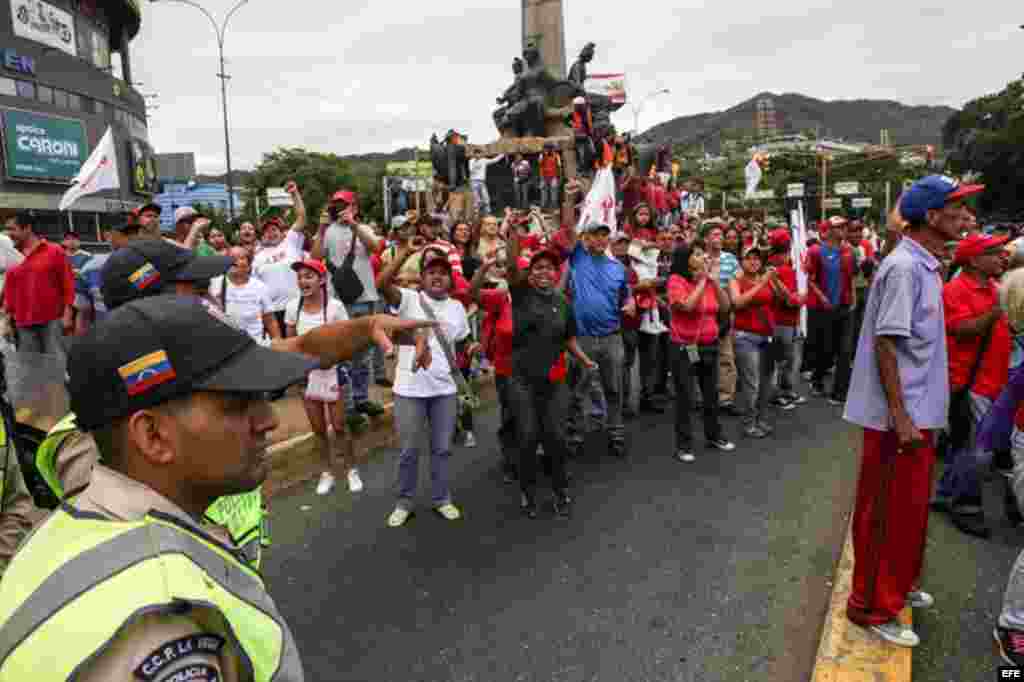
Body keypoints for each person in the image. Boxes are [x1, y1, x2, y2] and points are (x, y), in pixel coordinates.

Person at [0, 295, 314, 680]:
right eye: (236, 403)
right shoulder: (167, 614)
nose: (268, 420)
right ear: (152, 435)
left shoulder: (57, 534)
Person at [843, 175, 981, 648]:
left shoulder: (926, 265)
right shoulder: (904, 268)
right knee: (884, 513)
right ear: (931, 216)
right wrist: (901, 416)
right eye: (957, 209)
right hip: (896, 421)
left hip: (918, 414)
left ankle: (896, 587)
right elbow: (887, 342)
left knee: (907, 513)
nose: (966, 217)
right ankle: (871, 607)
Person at [504, 230, 596, 518]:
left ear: (557, 273)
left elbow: (568, 339)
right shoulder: (520, 295)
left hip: (554, 380)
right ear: (530, 273)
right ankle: (528, 491)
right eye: (538, 267)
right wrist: (513, 235)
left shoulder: (563, 303)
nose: (544, 272)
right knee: (528, 436)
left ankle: (560, 490)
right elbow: (510, 267)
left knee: (556, 437)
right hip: (522, 380)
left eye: (550, 268)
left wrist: (585, 359)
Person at [376, 242, 468, 527]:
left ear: (450, 279)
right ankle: (404, 502)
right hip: (409, 390)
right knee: (409, 451)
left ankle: (442, 498)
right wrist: (403, 251)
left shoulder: (457, 308)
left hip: (444, 391)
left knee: (441, 449)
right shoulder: (408, 299)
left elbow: (460, 345)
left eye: (443, 272)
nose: (437, 277)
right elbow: (381, 283)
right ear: (423, 277)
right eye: (431, 272)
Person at [931, 232, 1010, 539]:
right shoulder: (954, 290)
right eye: (994, 252)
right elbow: (962, 330)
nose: (1001, 256)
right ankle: (965, 506)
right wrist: (999, 308)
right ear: (975, 260)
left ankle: (944, 494)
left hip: (993, 379)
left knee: (966, 444)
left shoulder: (993, 286)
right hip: (969, 381)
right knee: (977, 449)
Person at [286, 259, 361, 496]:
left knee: (339, 426)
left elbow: (349, 341)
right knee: (318, 430)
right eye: (300, 277)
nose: (303, 281)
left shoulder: (336, 308)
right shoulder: (292, 307)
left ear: (321, 280)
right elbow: (291, 344)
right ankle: (326, 472)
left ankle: (351, 470)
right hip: (307, 377)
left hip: (333, 373)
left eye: (309, 276)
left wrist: (332, 358)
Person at [314, 189, 387, 419]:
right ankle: (346, 407)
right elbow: (316, 257)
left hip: (365, 299)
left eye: (344, 205)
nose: (340, 209)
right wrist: (321, 228)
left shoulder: (363, 228)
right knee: (343, 354)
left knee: (363, 354)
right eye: (336, 205)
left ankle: (361, 398)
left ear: (354, 207)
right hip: (339, 302)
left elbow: (376, 249)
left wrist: (354, 225)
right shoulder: (327, 231)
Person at [564, 222, 634, 458]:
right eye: (595, 235)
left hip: (611, 337)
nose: (601, 239)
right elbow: (567, 228)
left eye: (605, 235)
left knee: (614, 389)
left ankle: (616, 434)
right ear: (586, 238)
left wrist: (630, 304)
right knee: (577, 391)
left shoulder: (617, 268)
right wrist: (571, 199)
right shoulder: (578, 259)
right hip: (582, 338)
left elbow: (626, 295)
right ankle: (574, 435)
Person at [667, 242, 735, 462]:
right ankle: (683, 445)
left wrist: (713, 281)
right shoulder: (676, 281)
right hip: (684, 346)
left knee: (710, 392)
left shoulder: (706, 281)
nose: (701, 257)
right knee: (686, 395)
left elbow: (724, 306)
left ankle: (714, 435)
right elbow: (686, 306)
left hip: (709, 344)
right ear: (685, 259)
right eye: (696, 254)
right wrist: (702, 281)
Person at [469, 251, 518, 481]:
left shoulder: (542, 296)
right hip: (507, 370)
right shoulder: (502, 298)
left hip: (537, 370)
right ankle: (511, 461)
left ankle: (534, 456)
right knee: (510, 416)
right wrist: (483, 268)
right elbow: (473, 294)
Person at [3, 211, 74, 358]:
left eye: (12, 229)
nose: (8, 234)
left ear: (27, 228)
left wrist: (68, 314)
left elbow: (67, 284)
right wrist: (7, 322)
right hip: (23, 324)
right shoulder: (12, 256)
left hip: (53, 321)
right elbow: (10, 294)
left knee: (56, 366)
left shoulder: (55, 251)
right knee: (32, 369)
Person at [804, 216, 858, 405]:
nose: (843, 229)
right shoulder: (816, 251)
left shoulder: (850, 252)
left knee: (845, 351)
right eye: (838, 227)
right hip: (824, 308)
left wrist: (853, 299)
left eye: (844, 226)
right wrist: (822, 298)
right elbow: (810, 279)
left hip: (844, 307)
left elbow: (851, 277)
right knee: (825, 349)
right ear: (829, 230)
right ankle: (817, 379)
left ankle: (839, 393)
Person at [731, 246, 778, 438]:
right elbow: (737, 303)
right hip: (745, 337)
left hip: (767, 336)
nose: (753, 262)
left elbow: (784, 299)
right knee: (752, 384)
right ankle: (749, 423)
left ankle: (761, 420)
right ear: (742, 261)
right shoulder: (736, 280)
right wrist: (761, 284)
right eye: (749, 258)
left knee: (767, 383)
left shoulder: (765, 278)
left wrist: (773, 280)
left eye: (757, 259)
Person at [251, 181, 309, 334]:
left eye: (274, 229)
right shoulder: (257, 257)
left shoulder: (290, 241)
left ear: (282, 232)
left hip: (298, 306)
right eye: (267, 231)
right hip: (272, 312)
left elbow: (302, 217)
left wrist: (294, 194)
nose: (271, 232)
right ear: (262, 236)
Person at [73, 221, 145, 336]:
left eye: (135, 233)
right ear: (108, 236)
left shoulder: (146, 267)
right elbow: (83, 312)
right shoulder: (91, 268)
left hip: (140, 335)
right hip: (106, 337)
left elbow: (153, 301)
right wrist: (81, 344)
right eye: (125, 233)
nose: (132, 238)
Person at [702, 222, 741, 415]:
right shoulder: (699, 258)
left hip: (725, 314)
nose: (719, 238)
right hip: (704, 314)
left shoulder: (731, 258)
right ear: (706, 239)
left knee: (727, 358)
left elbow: (738, 282)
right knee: (701, 358)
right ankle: (702, 397)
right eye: (714, 235)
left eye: (720, 235)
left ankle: (726, 398)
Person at [765, 228, 805, 408]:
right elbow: (790, 300)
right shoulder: (784, 270)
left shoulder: (771, 267)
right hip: (784, 321)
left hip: (780, 320)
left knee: (782, 359)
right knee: (784, 360)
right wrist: (798, 298)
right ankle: (779, 393)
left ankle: (784, 391)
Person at [209, 246, 282, 344]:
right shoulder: (215, 283)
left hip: (255, 344)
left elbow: (270, 320)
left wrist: (278, 342)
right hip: (225, 344)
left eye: (241, 257)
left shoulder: (260, 287)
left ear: (249, 265)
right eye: (231, 257)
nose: (235, 261)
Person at [469, 150, 505, 216]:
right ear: (474, 154)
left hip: (482, 182)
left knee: (486, 197)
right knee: (476, 199)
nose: (478, 155)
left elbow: (494, 160)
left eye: (479, 154)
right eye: (476, 154)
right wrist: (476, 163)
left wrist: (502, 155)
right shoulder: (471, 161)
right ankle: (476, 213)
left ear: (481, 154)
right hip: (473, 181)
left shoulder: (484, 160)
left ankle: (488, 212)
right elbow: (471, 170)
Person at [539, 145, 562, 210]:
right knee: (543, 192)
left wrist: (560, 176)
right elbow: (540, 164)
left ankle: (554, 206)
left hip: (553, 176)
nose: (546, 150)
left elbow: (559, 166)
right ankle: (544, 207)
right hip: (544, 177)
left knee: (554, 192)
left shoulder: (556, 156)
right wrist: (544, 156)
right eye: (545, 149)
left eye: (548, 149)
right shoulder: (542, 156)